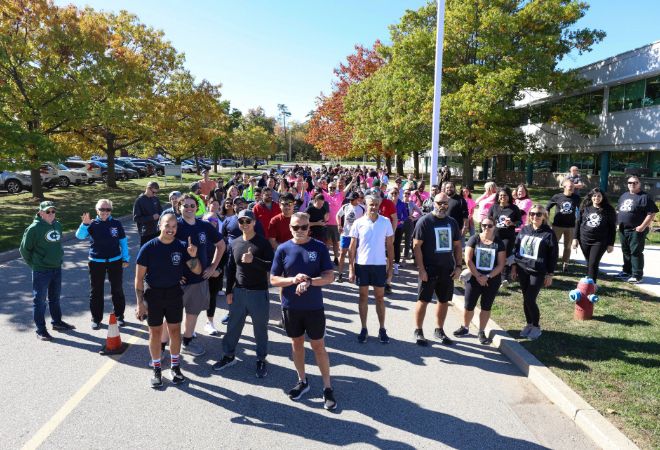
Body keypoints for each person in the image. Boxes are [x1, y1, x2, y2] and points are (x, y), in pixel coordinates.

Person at [270, 212, 337, 409]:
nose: (299, 230)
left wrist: (309, 281)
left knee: (318, 346)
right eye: (295, 227)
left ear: (309, 227)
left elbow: (329, 276)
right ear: (290, 227)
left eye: (303, 227)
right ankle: (302, 380)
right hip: (291, 306)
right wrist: (292, 280)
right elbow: (273, 279)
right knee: (296, 344)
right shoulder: (283, 249)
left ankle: (327, 387)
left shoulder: (319, 247)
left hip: (314, 307)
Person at [135, 213, 201, 388]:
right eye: (167, 225)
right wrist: (140, 303)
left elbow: (197, 271)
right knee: (155, 333)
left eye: (174, 226)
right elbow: (139, 278)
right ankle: (157, 369)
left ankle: (175, 367)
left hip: (174, 295)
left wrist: (193, 256)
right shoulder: (148, 247)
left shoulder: (181, 247)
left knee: (174, 331)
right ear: (160, 226)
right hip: (153, 295)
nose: (171, 229)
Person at [213, 210, 274, 378]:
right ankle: (228, 356)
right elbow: (231, 268)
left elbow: (272, 266)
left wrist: (254, 261)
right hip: (239, 292)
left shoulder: (262, 243)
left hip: (258, 293)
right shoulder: (235, 243)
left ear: (254, 222)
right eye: (241, 221)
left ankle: (261, 359)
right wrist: (229, 291)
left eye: (248, 221)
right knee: (233, 327)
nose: (245, 224)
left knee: (260, 330)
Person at [175, 195, 224, 355]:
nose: (189, 208)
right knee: (172, 316)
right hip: (177, 281)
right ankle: (162, 347)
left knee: (192, 313)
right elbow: (162, 249)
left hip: (198, 280)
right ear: (179, 207)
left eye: (192, 205)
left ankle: (187, 342)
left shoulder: (204, 226)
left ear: (197, 208)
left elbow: (221, 245)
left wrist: (212, 267)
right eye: (185, 205)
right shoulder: (174, 225)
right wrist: (173, 274)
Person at [20, 201, 76, 341]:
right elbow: (24, 250)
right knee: (39, 301)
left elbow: (56, 245)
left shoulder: (57, 225)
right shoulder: (34, 229)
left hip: (56, 268)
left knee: (55, 298)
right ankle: (41, 330)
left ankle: (57, 322)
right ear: (40, 213)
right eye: (47, 211)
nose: (51, 214)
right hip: (41, 270)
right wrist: (34, 265)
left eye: (53, 211)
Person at [411, 193, 462, 346]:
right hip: (428, 268)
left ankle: (439, 330)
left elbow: (458, 246)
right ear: (434, 203)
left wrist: (459, 266)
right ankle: (418, 330)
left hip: (447, 269)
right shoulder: (425, 221)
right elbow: (416, 246)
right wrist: (421, 269)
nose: (442, 206)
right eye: (440, 203)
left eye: (445, 203)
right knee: (423, 300)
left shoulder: (452, 222)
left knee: (444, 300)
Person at [76, 199, 129, 329]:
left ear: (111, 210)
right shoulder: (91, 224)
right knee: (96, 291)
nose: (105, 212)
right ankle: (96, 318)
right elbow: (80, 236)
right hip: (96, 262)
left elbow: (123, 242)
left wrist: (125, 258)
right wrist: (85, 224)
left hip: (115, 261)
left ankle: (119, 316)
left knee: (117, 289)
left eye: (108, 209)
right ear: (97, 210)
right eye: (102, 209)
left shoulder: (116, 223)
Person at [348, 194, 394, 343]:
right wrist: (351, 268)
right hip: (362, 265)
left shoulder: (386, 222)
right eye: (370, 204)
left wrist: (390, 268)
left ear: (379, 205)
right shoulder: (358, 223)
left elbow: (390, 246)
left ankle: (382, 329)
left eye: (376, 204)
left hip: (380, 265)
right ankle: (364, 328)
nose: (373, 207)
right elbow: (352, 247)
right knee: (363, 297)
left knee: (380, 298)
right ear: (365, 205)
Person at [454, 216, 505, 345]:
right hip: (474, 277)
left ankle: (481, 331)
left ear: (494, 227)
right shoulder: (474, 239)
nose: (486, 228)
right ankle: (465, 327)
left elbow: (501, 264)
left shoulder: (499, 243)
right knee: (469, 305)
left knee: (486, 307)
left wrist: (487, 277)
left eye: (489, 225)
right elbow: (468, 259)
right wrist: (478, 276)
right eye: (484, 225)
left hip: (491, 279)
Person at [511, 205, 559, 341]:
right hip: (522, 269)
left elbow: (553, 255)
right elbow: (516, 249)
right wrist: (514, 266)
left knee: (530, 299)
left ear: (544, 216)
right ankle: (529, 324)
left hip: (538, 271)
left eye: (538, 214)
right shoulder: (524, 230)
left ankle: (536, 327)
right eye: (532, 214)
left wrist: (550, 274)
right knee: (525, 299)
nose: (534, 216)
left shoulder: (548, 233)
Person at [615, 176, 658, 283]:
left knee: (635, 252)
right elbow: (618, 210)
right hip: (623, 229)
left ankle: (637, 275)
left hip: (636, 230)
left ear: (639, 184)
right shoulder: (624, 195)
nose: (632, 184)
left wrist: (642, 227)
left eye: (635, 182)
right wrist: (617, 223)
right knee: (626, 251)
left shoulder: (644, 197)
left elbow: (651, 213)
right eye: (630, 182)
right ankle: (626, 271)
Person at [572, 188, 616, 283]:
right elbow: (578, 223)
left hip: (600, 241)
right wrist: (575, 238)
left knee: (593, 263)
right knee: (589, 262)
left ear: (603, 197)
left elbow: (612, 228)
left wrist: (611, 244)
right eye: (594, 196)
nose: (596, 198)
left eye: (599, 196)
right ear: (591, 197)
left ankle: (591, 286)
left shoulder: (608, 210)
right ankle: (589, 281)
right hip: (584, 239)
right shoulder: (584, 208)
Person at [488, 187, 522, 282]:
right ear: (498, 197)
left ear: (509, 196)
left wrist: (512, 223)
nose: (503, 197)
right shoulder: (493, 207)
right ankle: (493, 273)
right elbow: (488, 220)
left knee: (505, 255)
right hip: (495, 235)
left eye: (505, 195)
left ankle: (504, 277)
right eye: (501, 195)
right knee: (494, 254)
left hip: (508, 236)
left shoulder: (514, 208)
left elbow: (520, 222)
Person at [546, 179, 580, 272]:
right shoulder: (557, 197)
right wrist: (547, 220)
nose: (572, 188)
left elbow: (580, 211)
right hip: (557, 226)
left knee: (568, 247)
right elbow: (547, 208)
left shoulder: (576, 198)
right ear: (564, 187)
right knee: (553, 245)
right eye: (570, 187)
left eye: (573, 187)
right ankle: (552, 262)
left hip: (570, 226)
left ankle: (565, 264)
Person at [335, 192, 365, 282]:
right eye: (350, 199)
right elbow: (338, 215)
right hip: (345, 234)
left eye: (352, 199)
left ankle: (353, 275)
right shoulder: (345, 206)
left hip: (356, 236)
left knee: (355, 255)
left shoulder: (362, 208)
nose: (350, 201)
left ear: (357, 199)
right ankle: (340, 274)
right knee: (342, 254)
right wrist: (339, 225)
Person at [133, 181, 162, 246]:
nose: (154, 194)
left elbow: (161, 212)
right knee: (146, 254)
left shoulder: (155, 199)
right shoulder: (139, 201)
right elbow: (136, 218)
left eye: (156, 193)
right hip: (146, 233)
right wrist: (151, 217)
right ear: (148, 189)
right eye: (153, 192)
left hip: (157, 231)